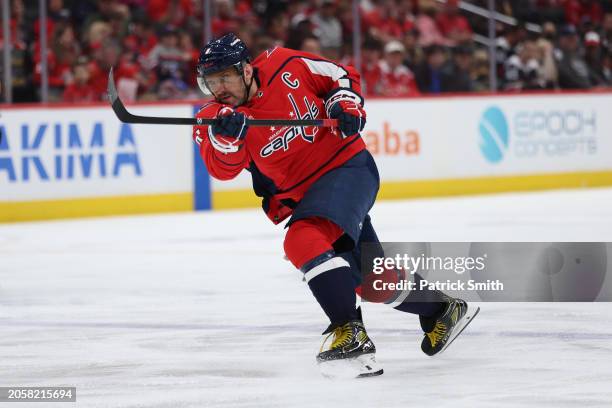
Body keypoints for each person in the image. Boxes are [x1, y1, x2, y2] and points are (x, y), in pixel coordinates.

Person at [192, 33, 477, 378]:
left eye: (225, 77)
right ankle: (441, 309)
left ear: (247, 70)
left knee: (301, 239)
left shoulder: (287, 64)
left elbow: (340, 75)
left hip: (349, 169)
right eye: (211, 80)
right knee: (372, 281)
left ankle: (350, 333)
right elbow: (222, 170)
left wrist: (344, 103)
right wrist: (227, 138)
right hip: (309, 198)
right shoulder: (213, 118)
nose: (218, 87)